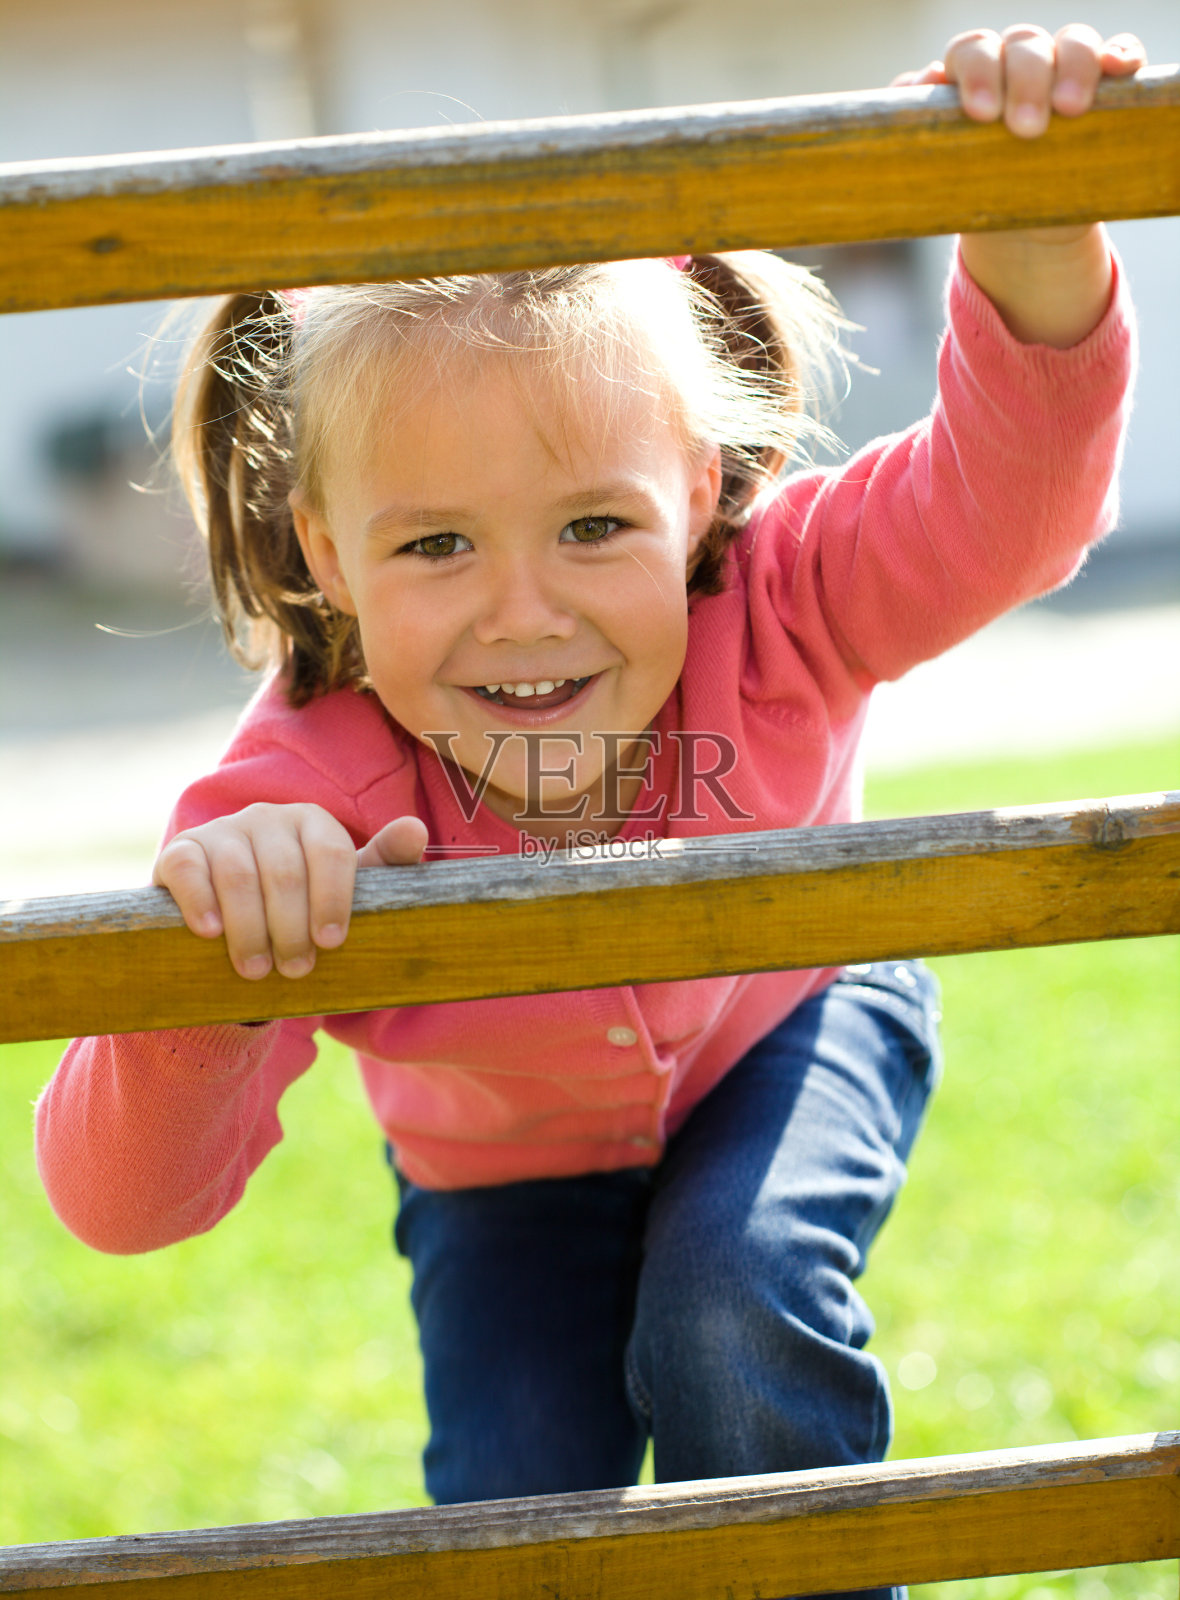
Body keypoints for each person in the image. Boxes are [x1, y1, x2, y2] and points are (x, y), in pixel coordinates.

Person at [37, 24, 1142, 1599]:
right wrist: (208, 965)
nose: (524, 612)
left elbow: (1009, 509)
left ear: (698, 485)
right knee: (515, 1513)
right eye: (433, 548)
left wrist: (1035, 229)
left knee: (729, 1305)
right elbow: (122, 1205)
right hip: (495, 1180)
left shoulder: (790, 597)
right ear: (329, 554)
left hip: (792, 1027)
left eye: (593, 524)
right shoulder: (305, 789)